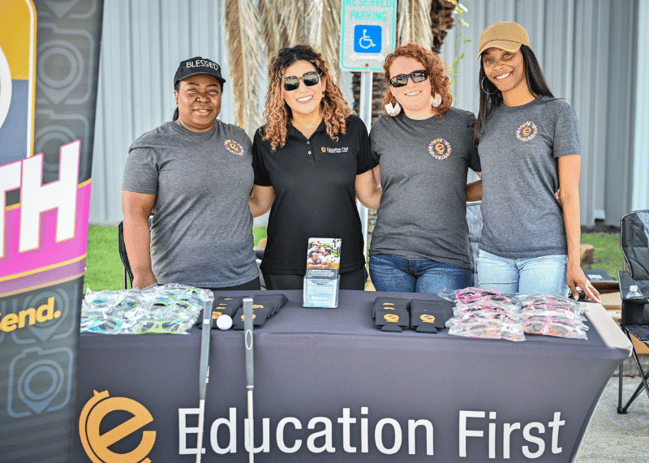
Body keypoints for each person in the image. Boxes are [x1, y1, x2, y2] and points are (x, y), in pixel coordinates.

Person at [474, 21, 600, 302]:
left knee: (537, 339)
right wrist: (445, 193)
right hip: (493, 255)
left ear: (525, 57)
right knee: (495, 336)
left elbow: (568, 192)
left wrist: (574, 262)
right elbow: (495, 182)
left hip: (545, 256)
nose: (498, 66)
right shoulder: (486, 121)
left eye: (507, 55)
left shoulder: (557, 113)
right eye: (489, 59)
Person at [122, 56, 260, 290]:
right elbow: (135, 214)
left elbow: (250, 200)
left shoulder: (238, 138)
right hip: (177, 283)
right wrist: (142, 272)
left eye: (212, 91)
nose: (203, 98)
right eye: (192, 90)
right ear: (176, 95)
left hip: (243, 278)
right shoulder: (151, 146)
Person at [249, 45, 380, 290]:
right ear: (280, 92)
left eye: (310, 79)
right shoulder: (265, 138)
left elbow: (369, 196)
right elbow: (260, 202)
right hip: (284, 265)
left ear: (324, 82)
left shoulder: (352, 129)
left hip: (344, 264)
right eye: (291, 83)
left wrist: (426, 194)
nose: (302, 88)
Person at [368, 43, 482, 293]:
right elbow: (368, 192)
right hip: (388, 258)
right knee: (392, 328)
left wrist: (450, 195)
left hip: (446, 259)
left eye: (417, 75)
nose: (409, 84)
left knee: (429, 328)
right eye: (399, 80)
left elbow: (492, 181)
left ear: (433, 78)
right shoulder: (382, 130)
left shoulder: (463, 124)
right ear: (391, 89)